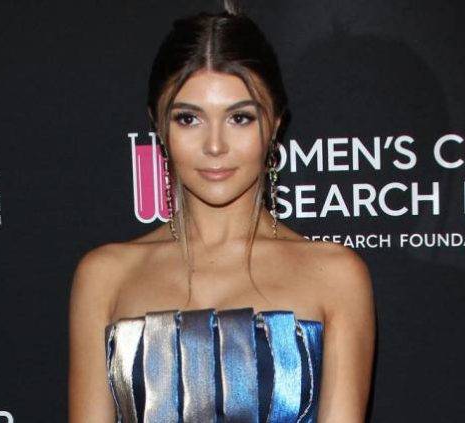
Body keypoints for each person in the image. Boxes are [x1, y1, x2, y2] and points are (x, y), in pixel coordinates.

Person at [69, 1, 375, 422]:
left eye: (240, 118)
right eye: (188, 119)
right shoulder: (105, 276)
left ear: (275, 124)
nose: (215, 146)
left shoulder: (336, 275)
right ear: (158, 126)